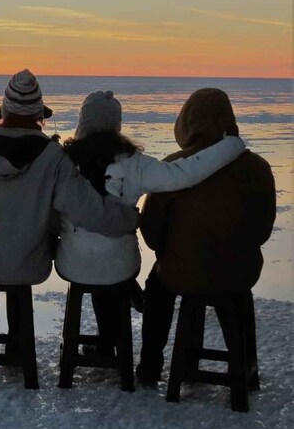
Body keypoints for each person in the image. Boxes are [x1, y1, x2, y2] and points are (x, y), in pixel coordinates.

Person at [54, 90, 245, 355]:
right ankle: (112, 339)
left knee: (92, 257)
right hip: (121, 264)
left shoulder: (62, 163)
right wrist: (231, 145)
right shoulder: (136, 164)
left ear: (82, 122)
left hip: (73, 264)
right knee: (112, 268)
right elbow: (184, 174)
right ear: (116, 125)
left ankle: (104, 344)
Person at [135, 88, 276, 385]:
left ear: (187, 122)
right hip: (239, 272)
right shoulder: (258, 168)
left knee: (157, 287)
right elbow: (262, 229)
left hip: (182, 272)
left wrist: (173, 253)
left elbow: (151, 231)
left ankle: (149, 366)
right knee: (236, 296)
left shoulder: (175, 166)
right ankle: (246, 368)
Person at [0, 70, 139, 286]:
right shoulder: (52, 156)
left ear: (2, 112)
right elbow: (85, 208)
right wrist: (130, 219)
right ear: (39, 115)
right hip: (27, 266)